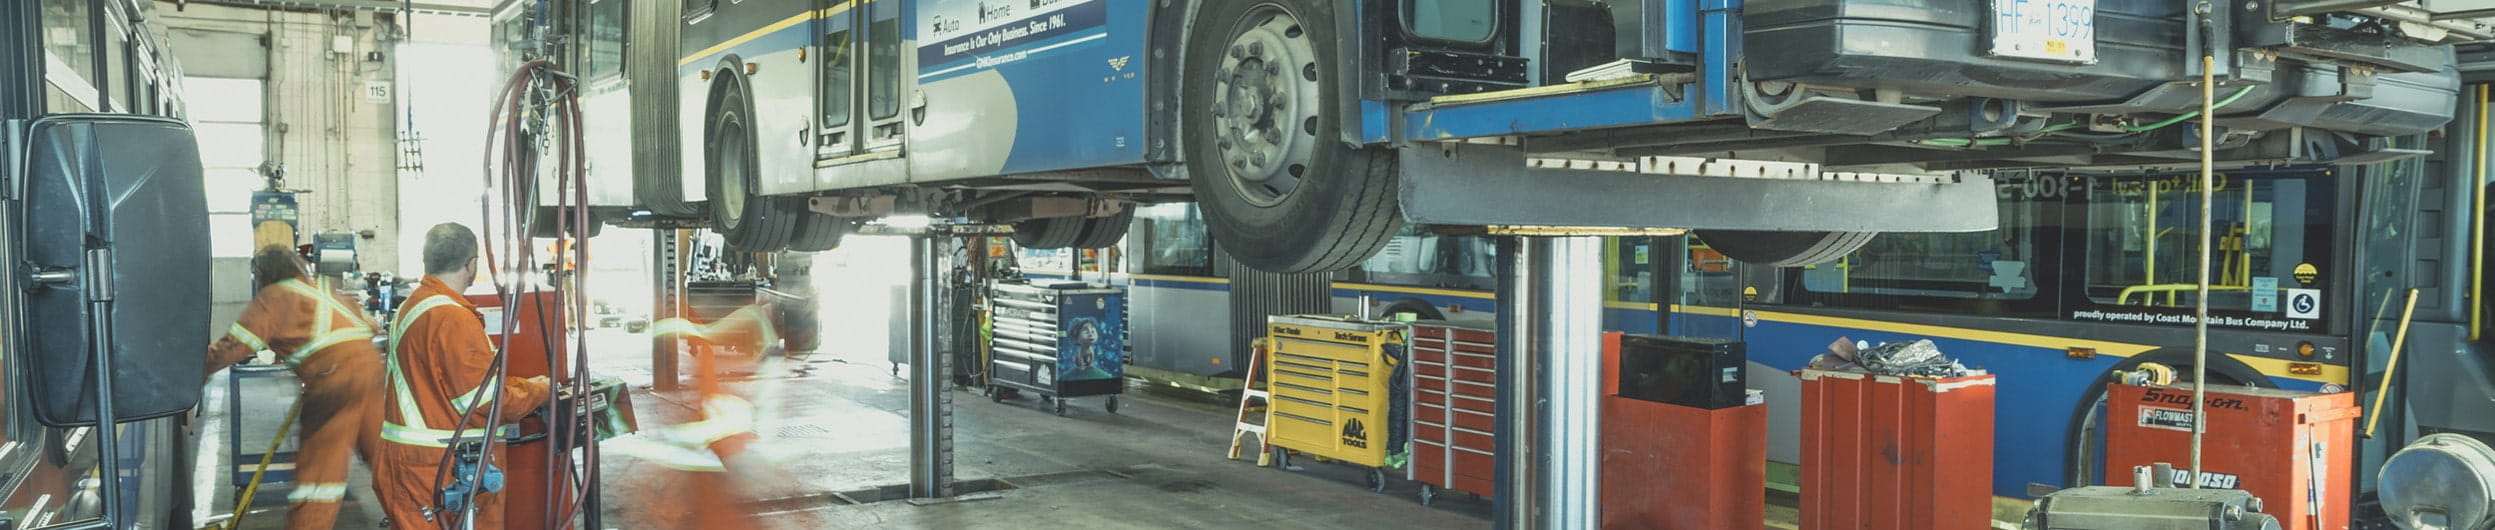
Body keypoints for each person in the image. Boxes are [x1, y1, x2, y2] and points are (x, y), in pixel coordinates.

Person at [374, 223, 552, 529]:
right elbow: (485, 402)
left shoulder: (412, 306)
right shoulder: (453, 318)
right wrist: (539, 390)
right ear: (472, 265)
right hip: (440, 469)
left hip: (413, 463)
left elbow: (446, 385)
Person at [204, 246, 387, 530]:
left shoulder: (275, 297)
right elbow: (372, 328)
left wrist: (193, 371)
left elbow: (233, 347)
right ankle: (418, 519)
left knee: (318, 479)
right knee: (384, 459)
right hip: (372, 373)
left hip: (334, 383)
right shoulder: (326, 289)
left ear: (263, 275)